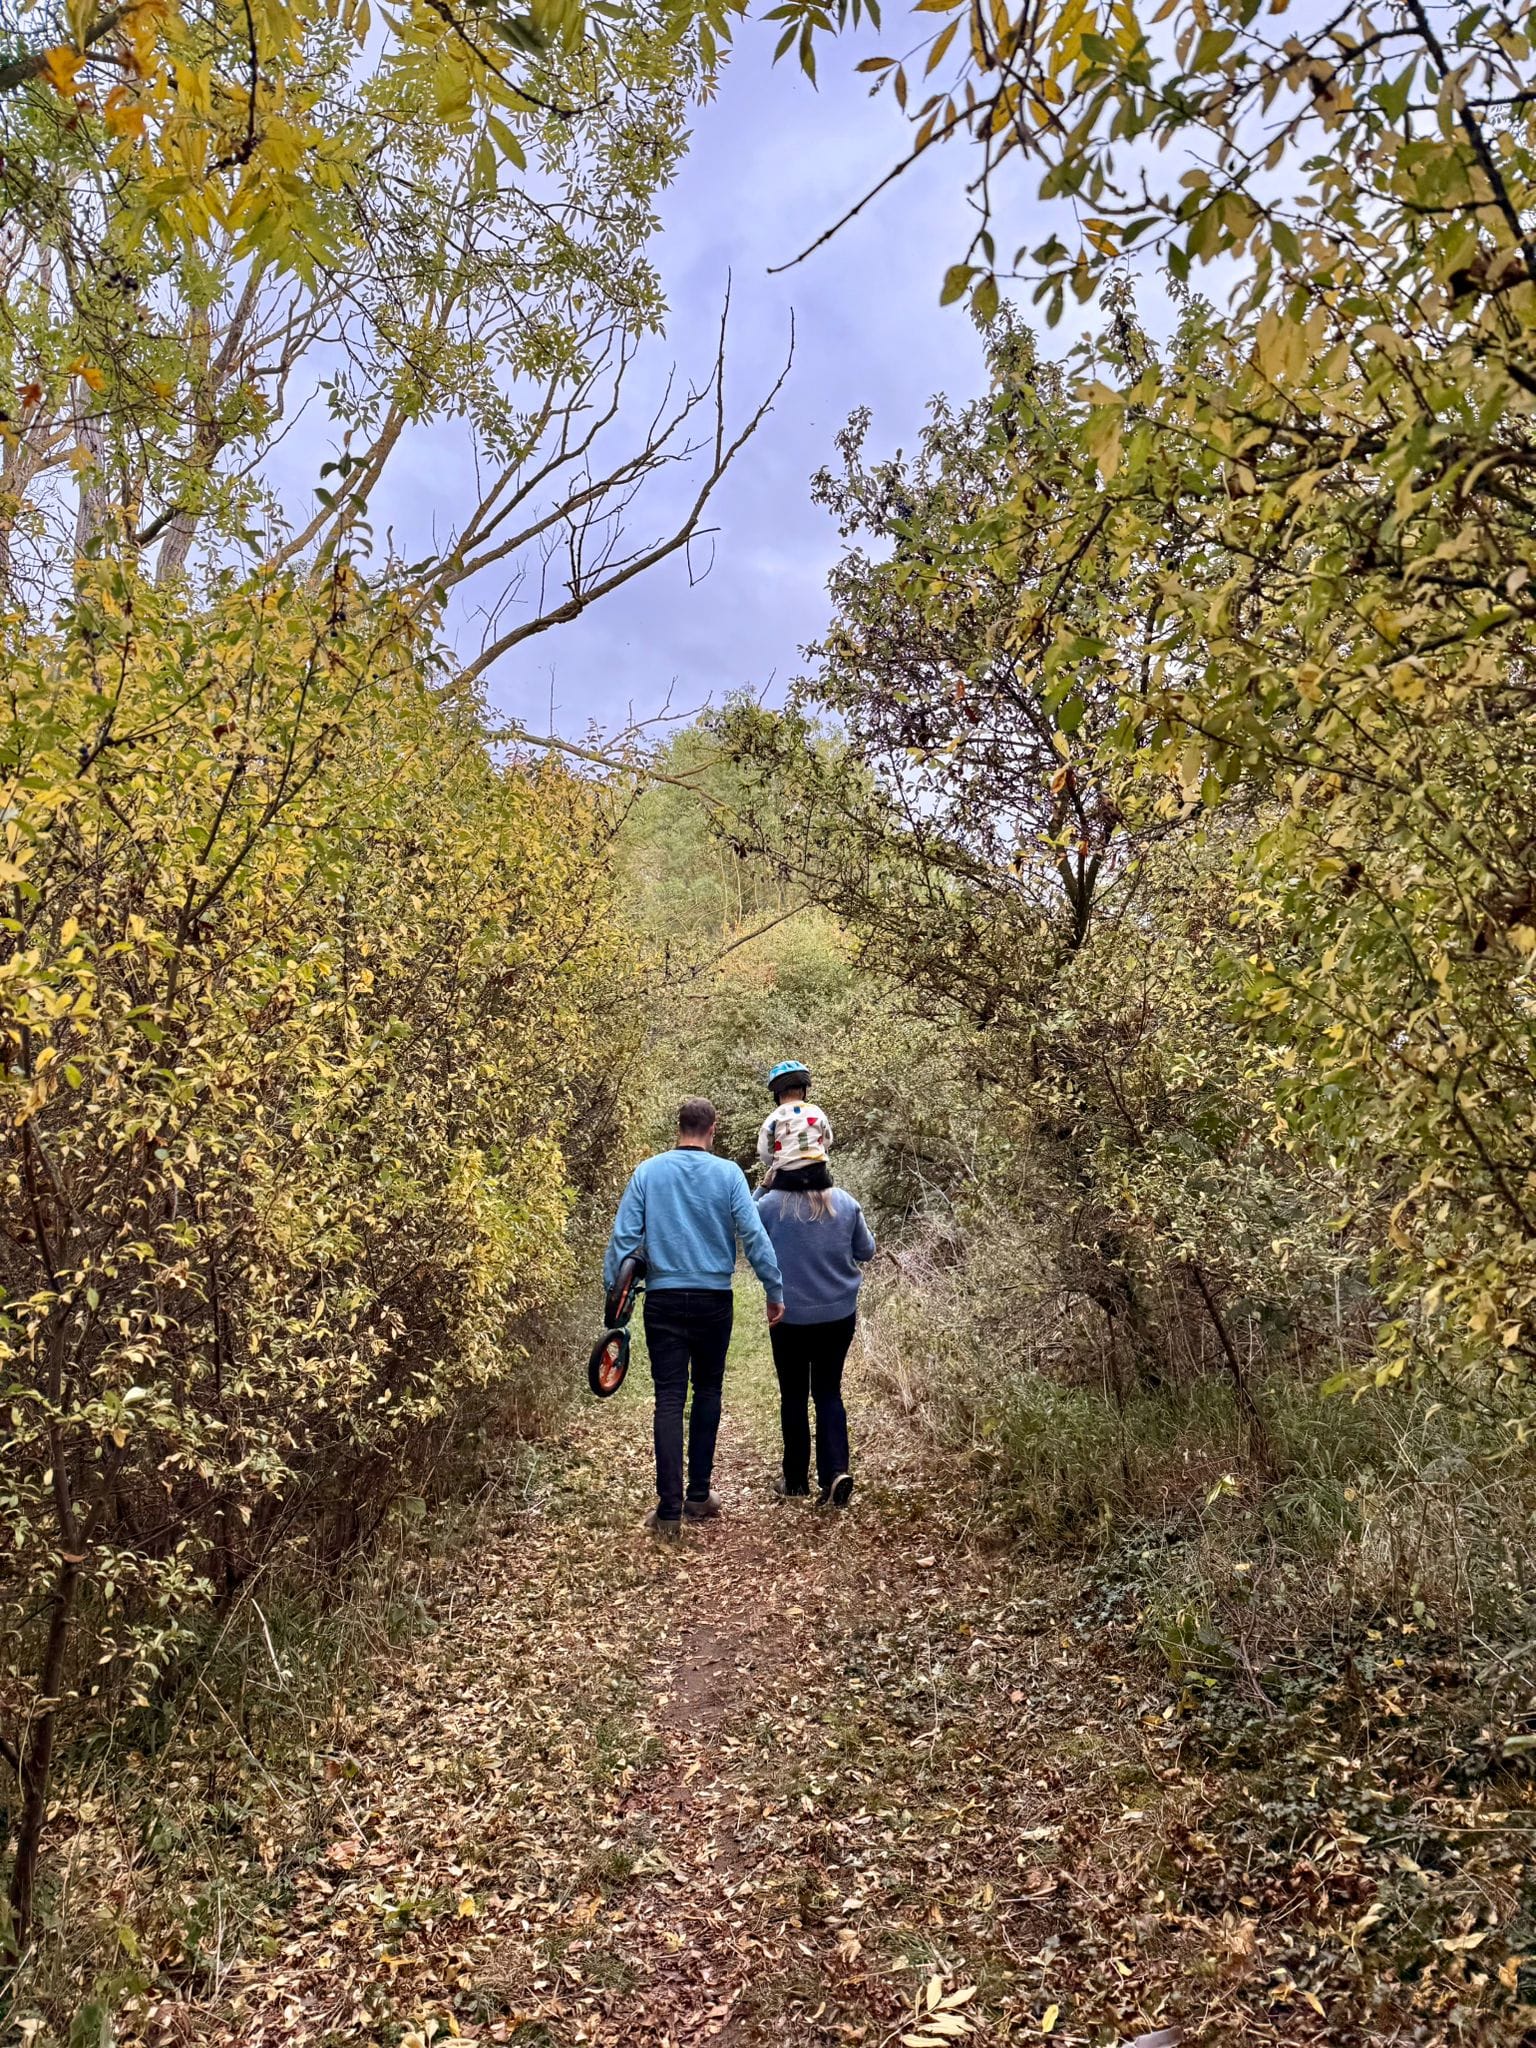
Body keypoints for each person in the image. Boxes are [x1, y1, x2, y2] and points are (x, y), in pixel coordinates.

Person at [605, 1096, 785, 1540]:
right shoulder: (728, 1175)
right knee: (707, 1390)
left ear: (678, 1127)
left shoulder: (648, 1171)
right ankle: (699, 1495)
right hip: (713, 1301)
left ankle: (669, 1511)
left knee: (668, 1398)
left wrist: (617, 1299)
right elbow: (753, 1235)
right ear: (713, 1128)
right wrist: (773, 1288)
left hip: (664, 1300)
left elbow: (624, 1238)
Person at [755, 1167, 875, 1508]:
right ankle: (835, 1472)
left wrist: (763, 1186)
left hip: (787, 1316)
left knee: (793, 1395)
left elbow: (743, 1229)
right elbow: (866, 1250)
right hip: (838, 1316)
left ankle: (794, 1481)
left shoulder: (770, 1206)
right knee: (828, 1391)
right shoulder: (845, 1203)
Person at [757, 1060, 834, 1190]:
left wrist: (775, 1161)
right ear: (803, 1092)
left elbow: (764, 1151)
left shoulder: (774, 1118)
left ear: (777, 1095)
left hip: (787, 1176)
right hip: (818, 1173)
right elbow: (827, 1140)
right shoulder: (816, 1111)